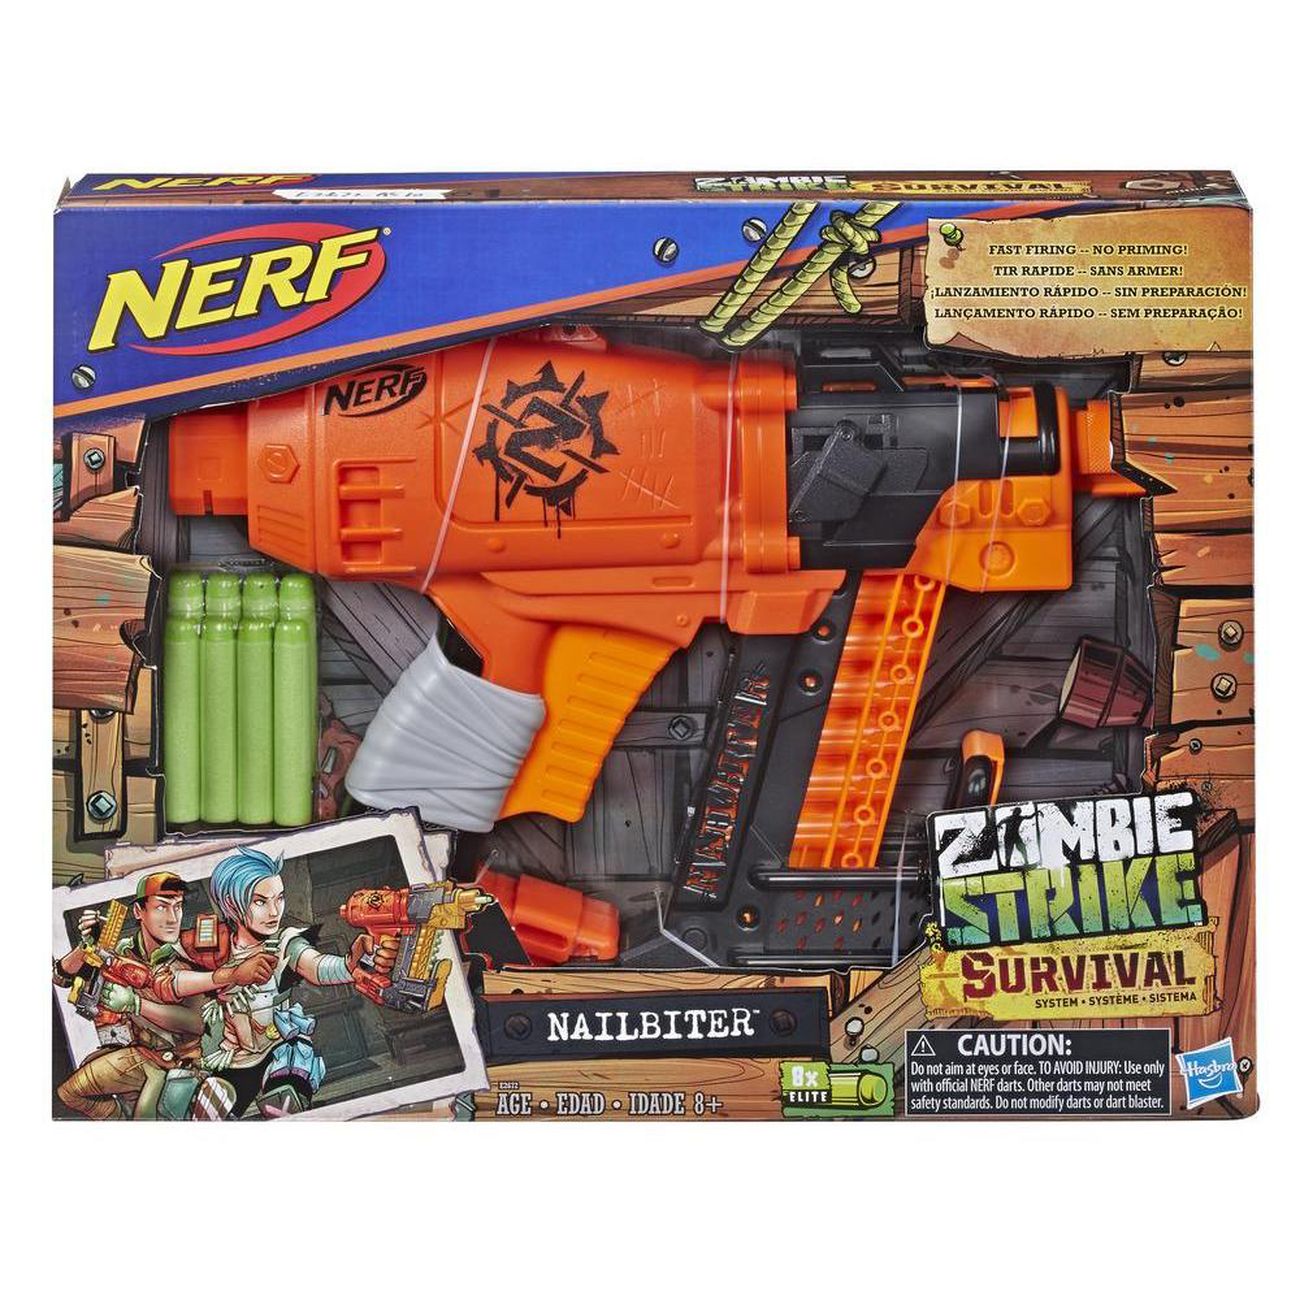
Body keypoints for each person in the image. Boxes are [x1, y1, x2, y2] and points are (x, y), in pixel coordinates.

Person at [150, 848, 398, 1118]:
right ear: (232, 903)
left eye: (279, 898)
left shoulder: (283, 942)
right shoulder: (211, 943)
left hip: (280, 1051)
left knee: (285, 1104)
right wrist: (230, 975)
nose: (274, 911)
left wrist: (352, 963)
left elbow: (316, 966)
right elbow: (167, 983)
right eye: (260, 901)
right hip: (233, 1060)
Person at [52, 871, 272, 1119]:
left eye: (178, 907)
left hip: (178, 1063)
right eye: (161, 907)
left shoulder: (190, 953)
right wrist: (86, 947)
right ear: (139, 911)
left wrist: (135, 1004)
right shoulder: (123, 950)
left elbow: (198, 1023)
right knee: (72, 1093)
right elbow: (60, 978)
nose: (172, 918)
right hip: (136, 1052)